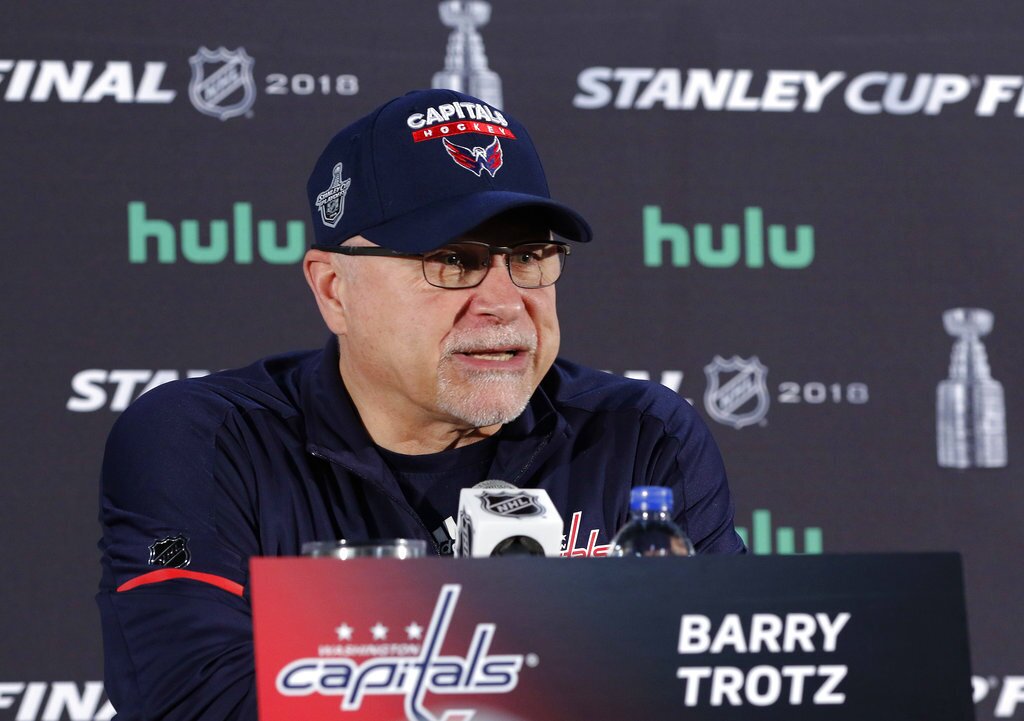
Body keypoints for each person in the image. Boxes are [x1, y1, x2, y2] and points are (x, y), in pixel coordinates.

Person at [97, 89, 745, 719]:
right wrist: (576, 653)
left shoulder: (641, 437)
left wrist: (355, 657)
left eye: (529, 257)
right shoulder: (207, 440)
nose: (504, 302)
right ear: (334, 289)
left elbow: (733, 684)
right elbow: (193, 698)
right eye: (453, 261)